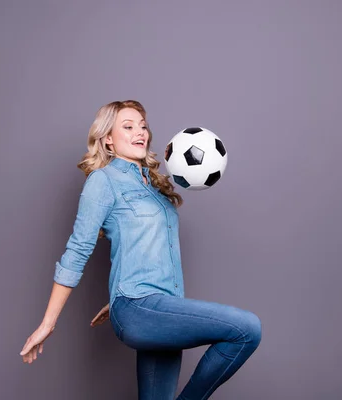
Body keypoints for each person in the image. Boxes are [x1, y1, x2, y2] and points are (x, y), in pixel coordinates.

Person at [19, 100, 262, 399]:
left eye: (143, 126)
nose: (140, 133)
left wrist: (123, 289)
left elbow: (144, 247)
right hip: (139, 307)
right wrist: (48, 323)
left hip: (160, 309)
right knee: (246, 329)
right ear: (108, 137)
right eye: (128, 126)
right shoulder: (103, 181)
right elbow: (77, 250)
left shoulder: (155, 188)